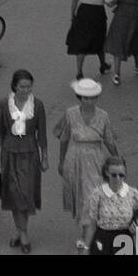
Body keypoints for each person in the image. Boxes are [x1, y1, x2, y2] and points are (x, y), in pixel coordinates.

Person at [0, 69, 48, 254]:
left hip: (29, 153)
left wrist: (45, 156)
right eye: (22, 86)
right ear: (14, 86)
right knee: (14, 193)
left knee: (25, 193)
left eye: (29, 86)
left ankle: (20, 231)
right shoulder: (5, 106)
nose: (25, 90)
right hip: (9, 152)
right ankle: (22, 232)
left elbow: (42, 134)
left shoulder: (37, 106)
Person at [55, 77, 120, 228]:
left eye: (92, 98)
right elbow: (64, 139)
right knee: (81, 197)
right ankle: (88, 234)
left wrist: (117, 160)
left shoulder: (103, 116)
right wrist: (61, 161)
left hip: (96, 160)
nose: (89, 102)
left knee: (93, 196)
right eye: (85, 98)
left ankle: (89, 236)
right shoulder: (70, 114)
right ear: (80, 98)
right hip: (75, 159)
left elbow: (109, 140)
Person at [80, 155, 138, 256]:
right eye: (114, 175)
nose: (118, 178)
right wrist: (86, 248)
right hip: (103, 240)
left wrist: (136, 231)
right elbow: (92, 225)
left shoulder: (134, 194)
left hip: (124, 241)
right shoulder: (98, 194)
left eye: (121, 175)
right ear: (107, 173)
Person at [67, 0, 113, 79]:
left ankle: (79, 71)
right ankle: (102, 64)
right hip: (98, 14)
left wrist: (72, 14)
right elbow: (109, 3)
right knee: (99, 40)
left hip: (83, 13)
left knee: (81, 43)